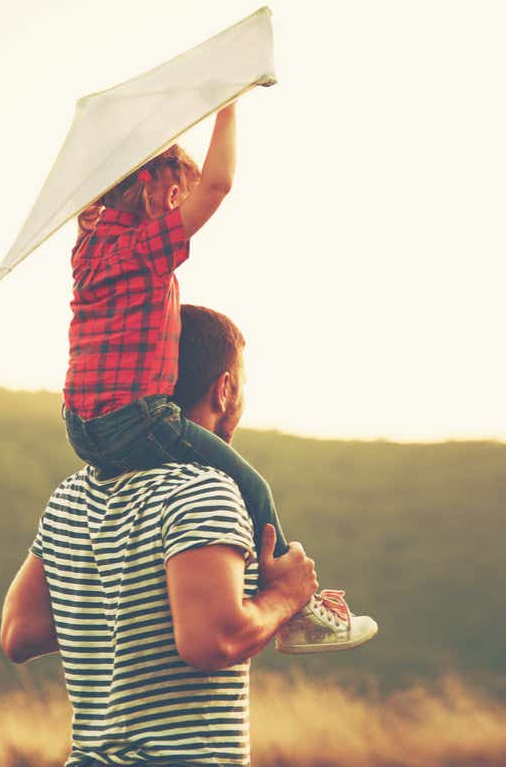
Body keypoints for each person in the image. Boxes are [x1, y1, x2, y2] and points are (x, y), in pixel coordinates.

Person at [1, 305, 378, 767]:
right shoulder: (202, 487)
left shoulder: (71, 495)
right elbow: (210, 643)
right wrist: (285, 597)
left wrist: (131, 605)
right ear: (224, 389)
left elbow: (20, 634)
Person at [62, 103, 373, 649]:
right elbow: (219, 185)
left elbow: (167, 185)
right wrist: (226, 104)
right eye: (178, 192)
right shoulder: (142, 249)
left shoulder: (88, 245)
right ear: (158, 191)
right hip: (135, 419)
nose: (186, 201)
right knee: (250, 486)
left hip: (80, 427)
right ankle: (295, 610)